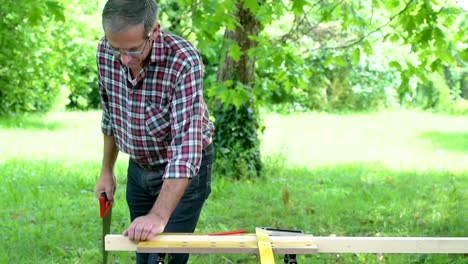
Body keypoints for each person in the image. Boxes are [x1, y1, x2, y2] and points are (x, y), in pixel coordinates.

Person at [94, 0, 215, 263]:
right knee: (144, 253)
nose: (125, 60)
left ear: (155, 30)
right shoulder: (105, 52)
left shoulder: (183, 59)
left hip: (186, 173)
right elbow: (110, 114)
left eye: (134, 50)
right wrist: (107, 170)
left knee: (165, 257)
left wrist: (159, 216)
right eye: (117, 50)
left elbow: (186, 148)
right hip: (139, 168)